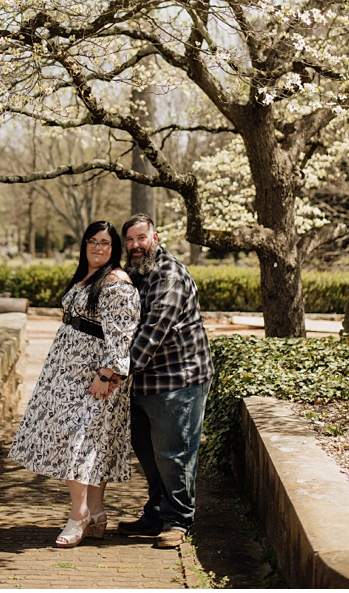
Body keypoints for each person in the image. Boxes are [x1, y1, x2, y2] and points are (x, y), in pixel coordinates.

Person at [9, 221, 140, 548]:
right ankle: (96, 512)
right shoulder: (87, 276)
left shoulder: (116, 282)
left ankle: (78, 513)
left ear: (114, 249)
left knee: (78, 439)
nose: (98, 248)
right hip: (66, 375)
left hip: (96, 377)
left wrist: (109, 373)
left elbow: (122, 334)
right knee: (92, 442)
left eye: (105, 243)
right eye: (92, 241)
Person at [116, 214, 214, 548]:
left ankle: (178, 521)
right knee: (148, 452)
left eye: (140, 238)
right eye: (129, 240)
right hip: (144, 382)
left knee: (174, 453)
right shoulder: (133, 274)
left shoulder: (169, 274)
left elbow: (152, 330)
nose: (134, 246)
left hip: (179, 380)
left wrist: (114, 372)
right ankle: (156, 513)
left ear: (155, 237)